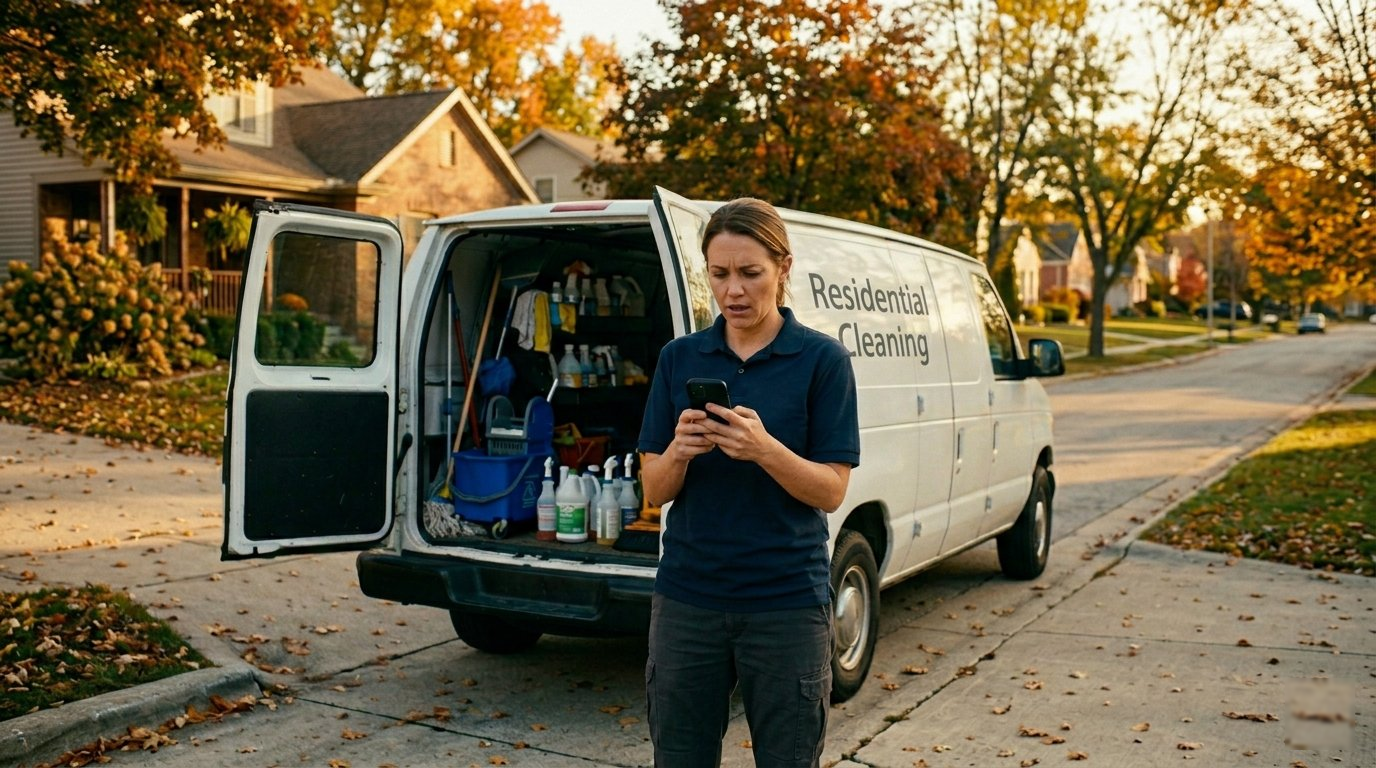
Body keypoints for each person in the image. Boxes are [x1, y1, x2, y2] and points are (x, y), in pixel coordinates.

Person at [637, 197, 861, 767]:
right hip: (689, 600)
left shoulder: (822, 360)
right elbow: (654, 490)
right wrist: (681, 453)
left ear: (783, 270)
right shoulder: (678, 357)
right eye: (719, 274)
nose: (733, 290)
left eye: (749, 273)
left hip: (785, 604)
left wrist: (765, 451)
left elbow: (831, 490)